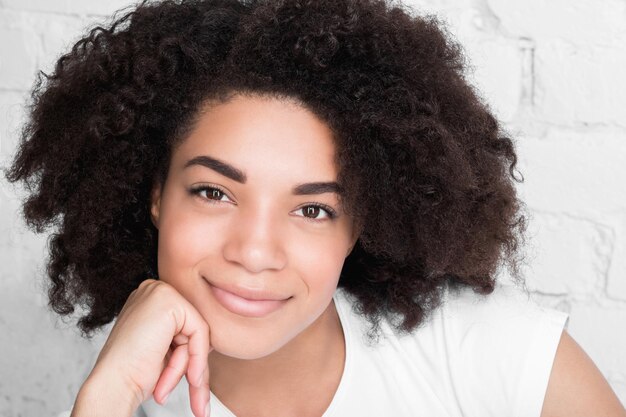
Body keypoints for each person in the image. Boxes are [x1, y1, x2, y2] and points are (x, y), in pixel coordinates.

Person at [4, 0, 625, 416]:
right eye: (214, 192)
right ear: (154, 198)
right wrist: (106, 396)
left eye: (313, 210)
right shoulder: (118, 398)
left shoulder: (485, 350)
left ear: (361, 226)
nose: (253, 251)